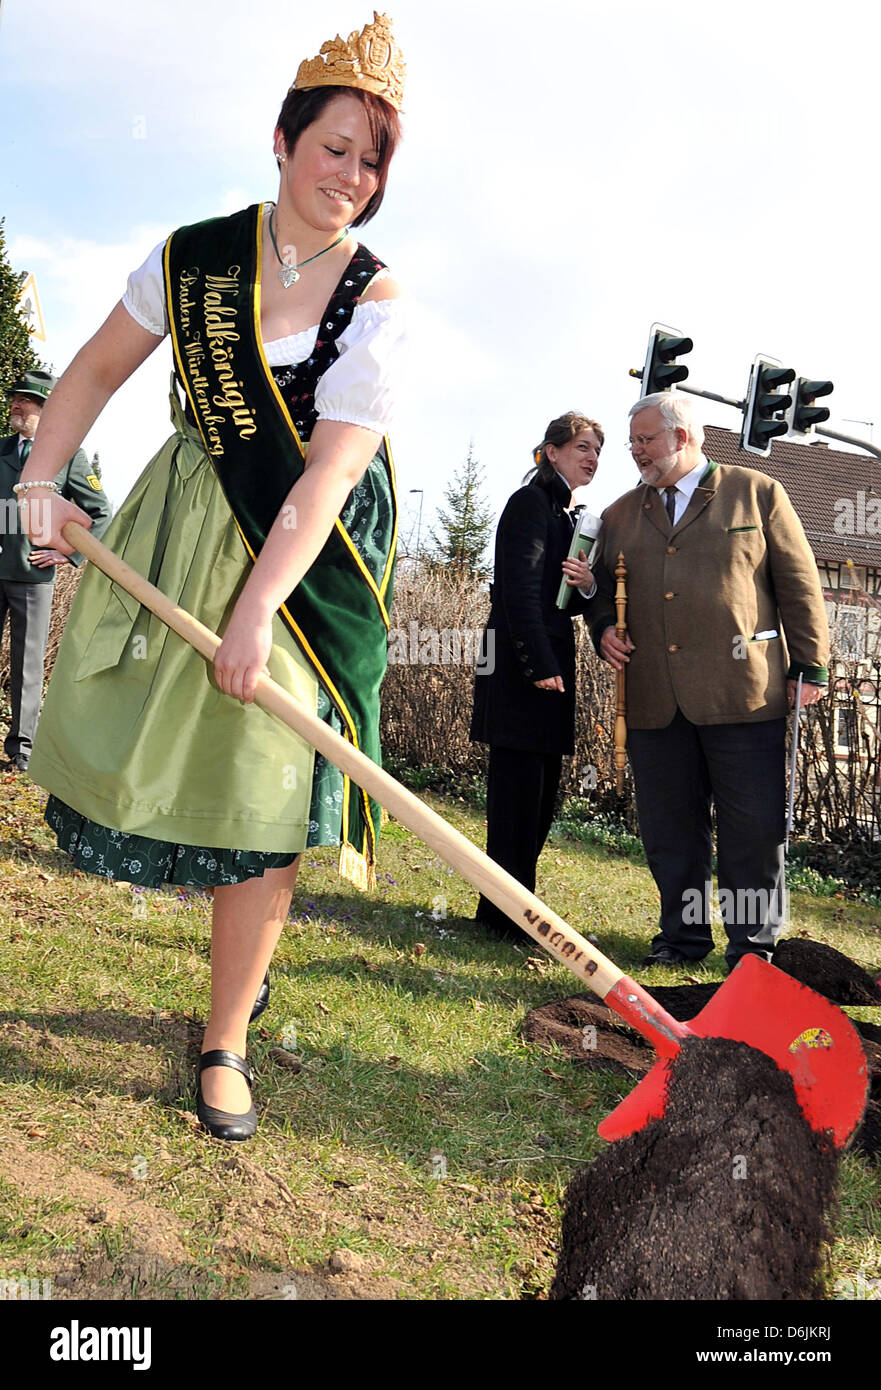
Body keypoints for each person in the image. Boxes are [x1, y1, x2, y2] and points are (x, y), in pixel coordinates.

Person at [17, 12, 407, 1141]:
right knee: (164, 742)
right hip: (184, 516)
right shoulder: (191, 258)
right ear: (281, 140)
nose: (351, 176)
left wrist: (253, 616)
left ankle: (225, 1033)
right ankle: (241, 969)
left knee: (262, 783)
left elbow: (328, 475)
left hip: (302, 547)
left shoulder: (375, 301)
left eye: (372, 160)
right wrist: (40, 477)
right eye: (333, 146)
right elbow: (91, 369)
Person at [588, 391, 828, 971]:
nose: (636, 451)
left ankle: (753, 950)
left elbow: (798, 582)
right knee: (670, 831)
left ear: (684, 436)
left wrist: (811, 665)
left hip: (744, 695)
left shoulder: (758, 492)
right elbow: (595, 593)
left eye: (646, 440)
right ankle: (682, 939)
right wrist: (602, 631)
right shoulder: (619, 514)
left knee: (752, 829)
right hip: (653, 698)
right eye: (633, 442)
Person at [470, 412, 601, 938]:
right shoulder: (529, 503)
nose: (592, 458)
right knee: (516, 801)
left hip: (549, 667)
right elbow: (517, 592)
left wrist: (586, 583)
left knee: (540, 798)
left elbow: (558, 598)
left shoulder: (566, 513)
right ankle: (501, 915)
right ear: (551, 451)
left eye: (597, 451)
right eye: (582, 448)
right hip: (521, 670)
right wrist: (540, 667)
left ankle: (513, 908)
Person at [1, 371, 111, 771]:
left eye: (26, 400)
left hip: (33, 577)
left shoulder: (69, 456)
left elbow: (100, 513)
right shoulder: (0, 450)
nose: (17, 404)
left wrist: (70, 556)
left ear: (45, 409)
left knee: (28, 666)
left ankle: (23, 750)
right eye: (15, 398)